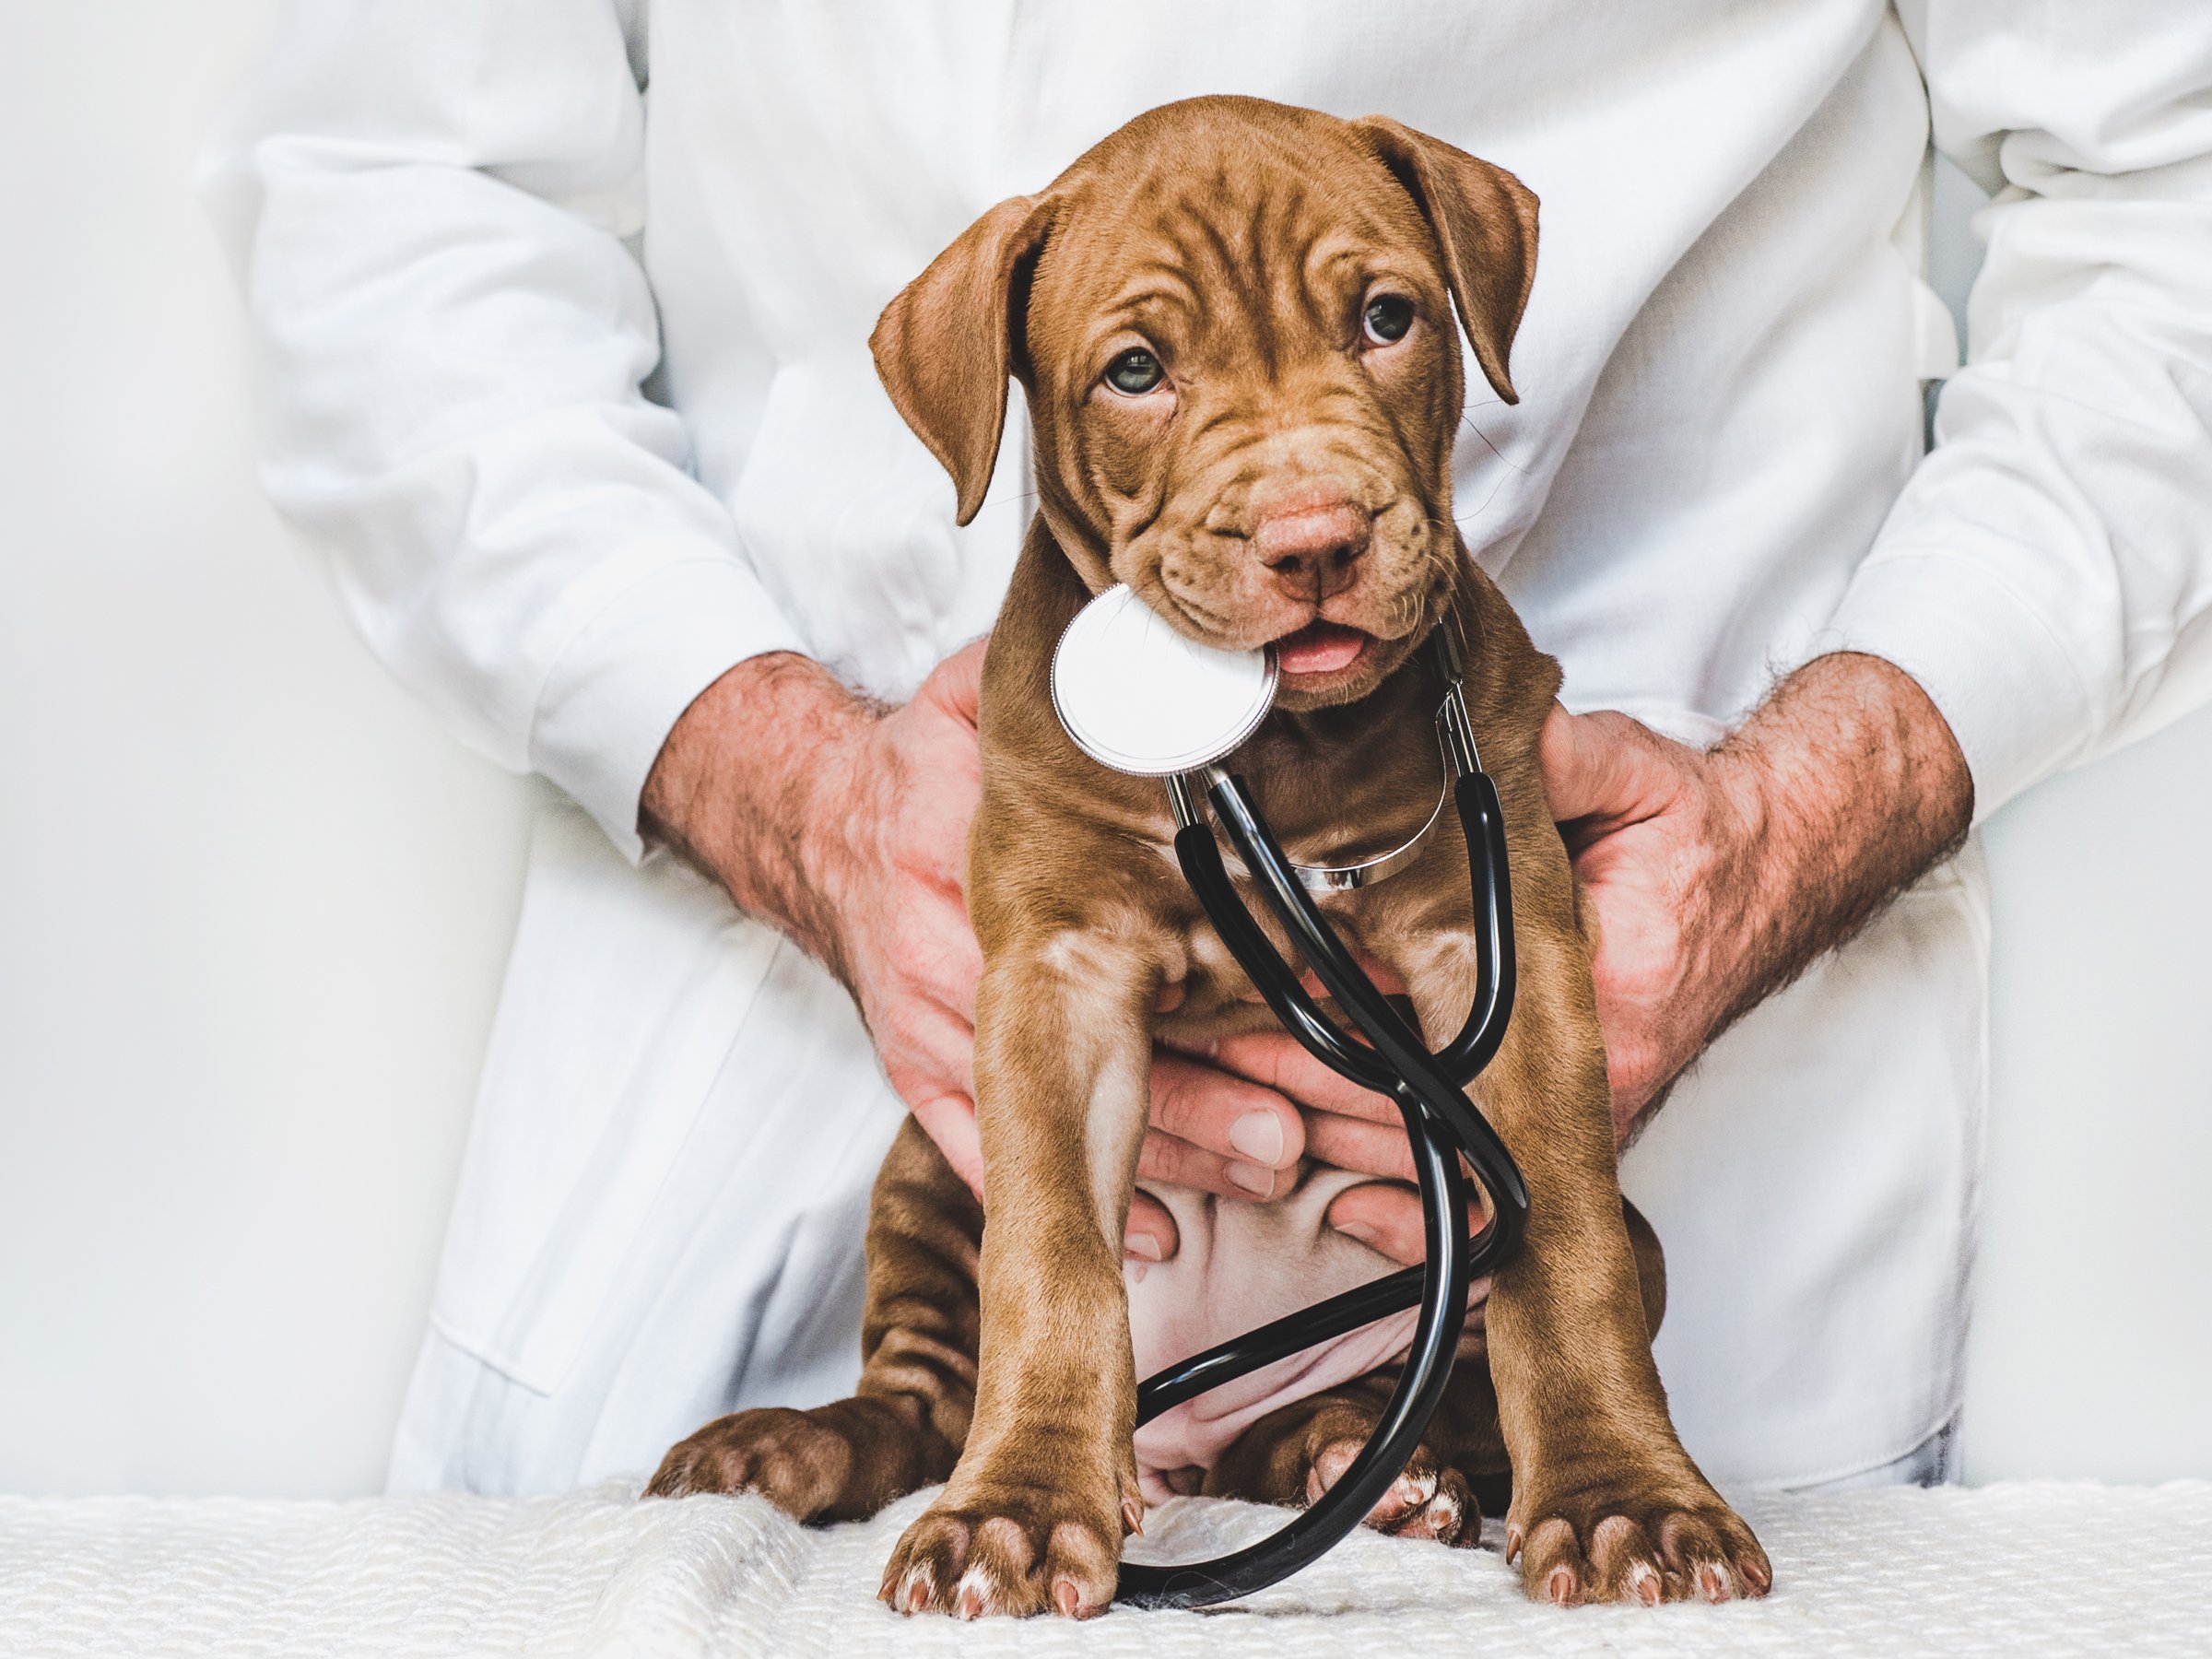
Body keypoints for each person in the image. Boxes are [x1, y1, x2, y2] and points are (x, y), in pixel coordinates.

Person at [204, 2, 2212, 1499]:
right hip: (774, 1133)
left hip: (1663, 1054)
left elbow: (2170, 195)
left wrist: (1799, 816)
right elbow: (395, 195)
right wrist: (784, 787)